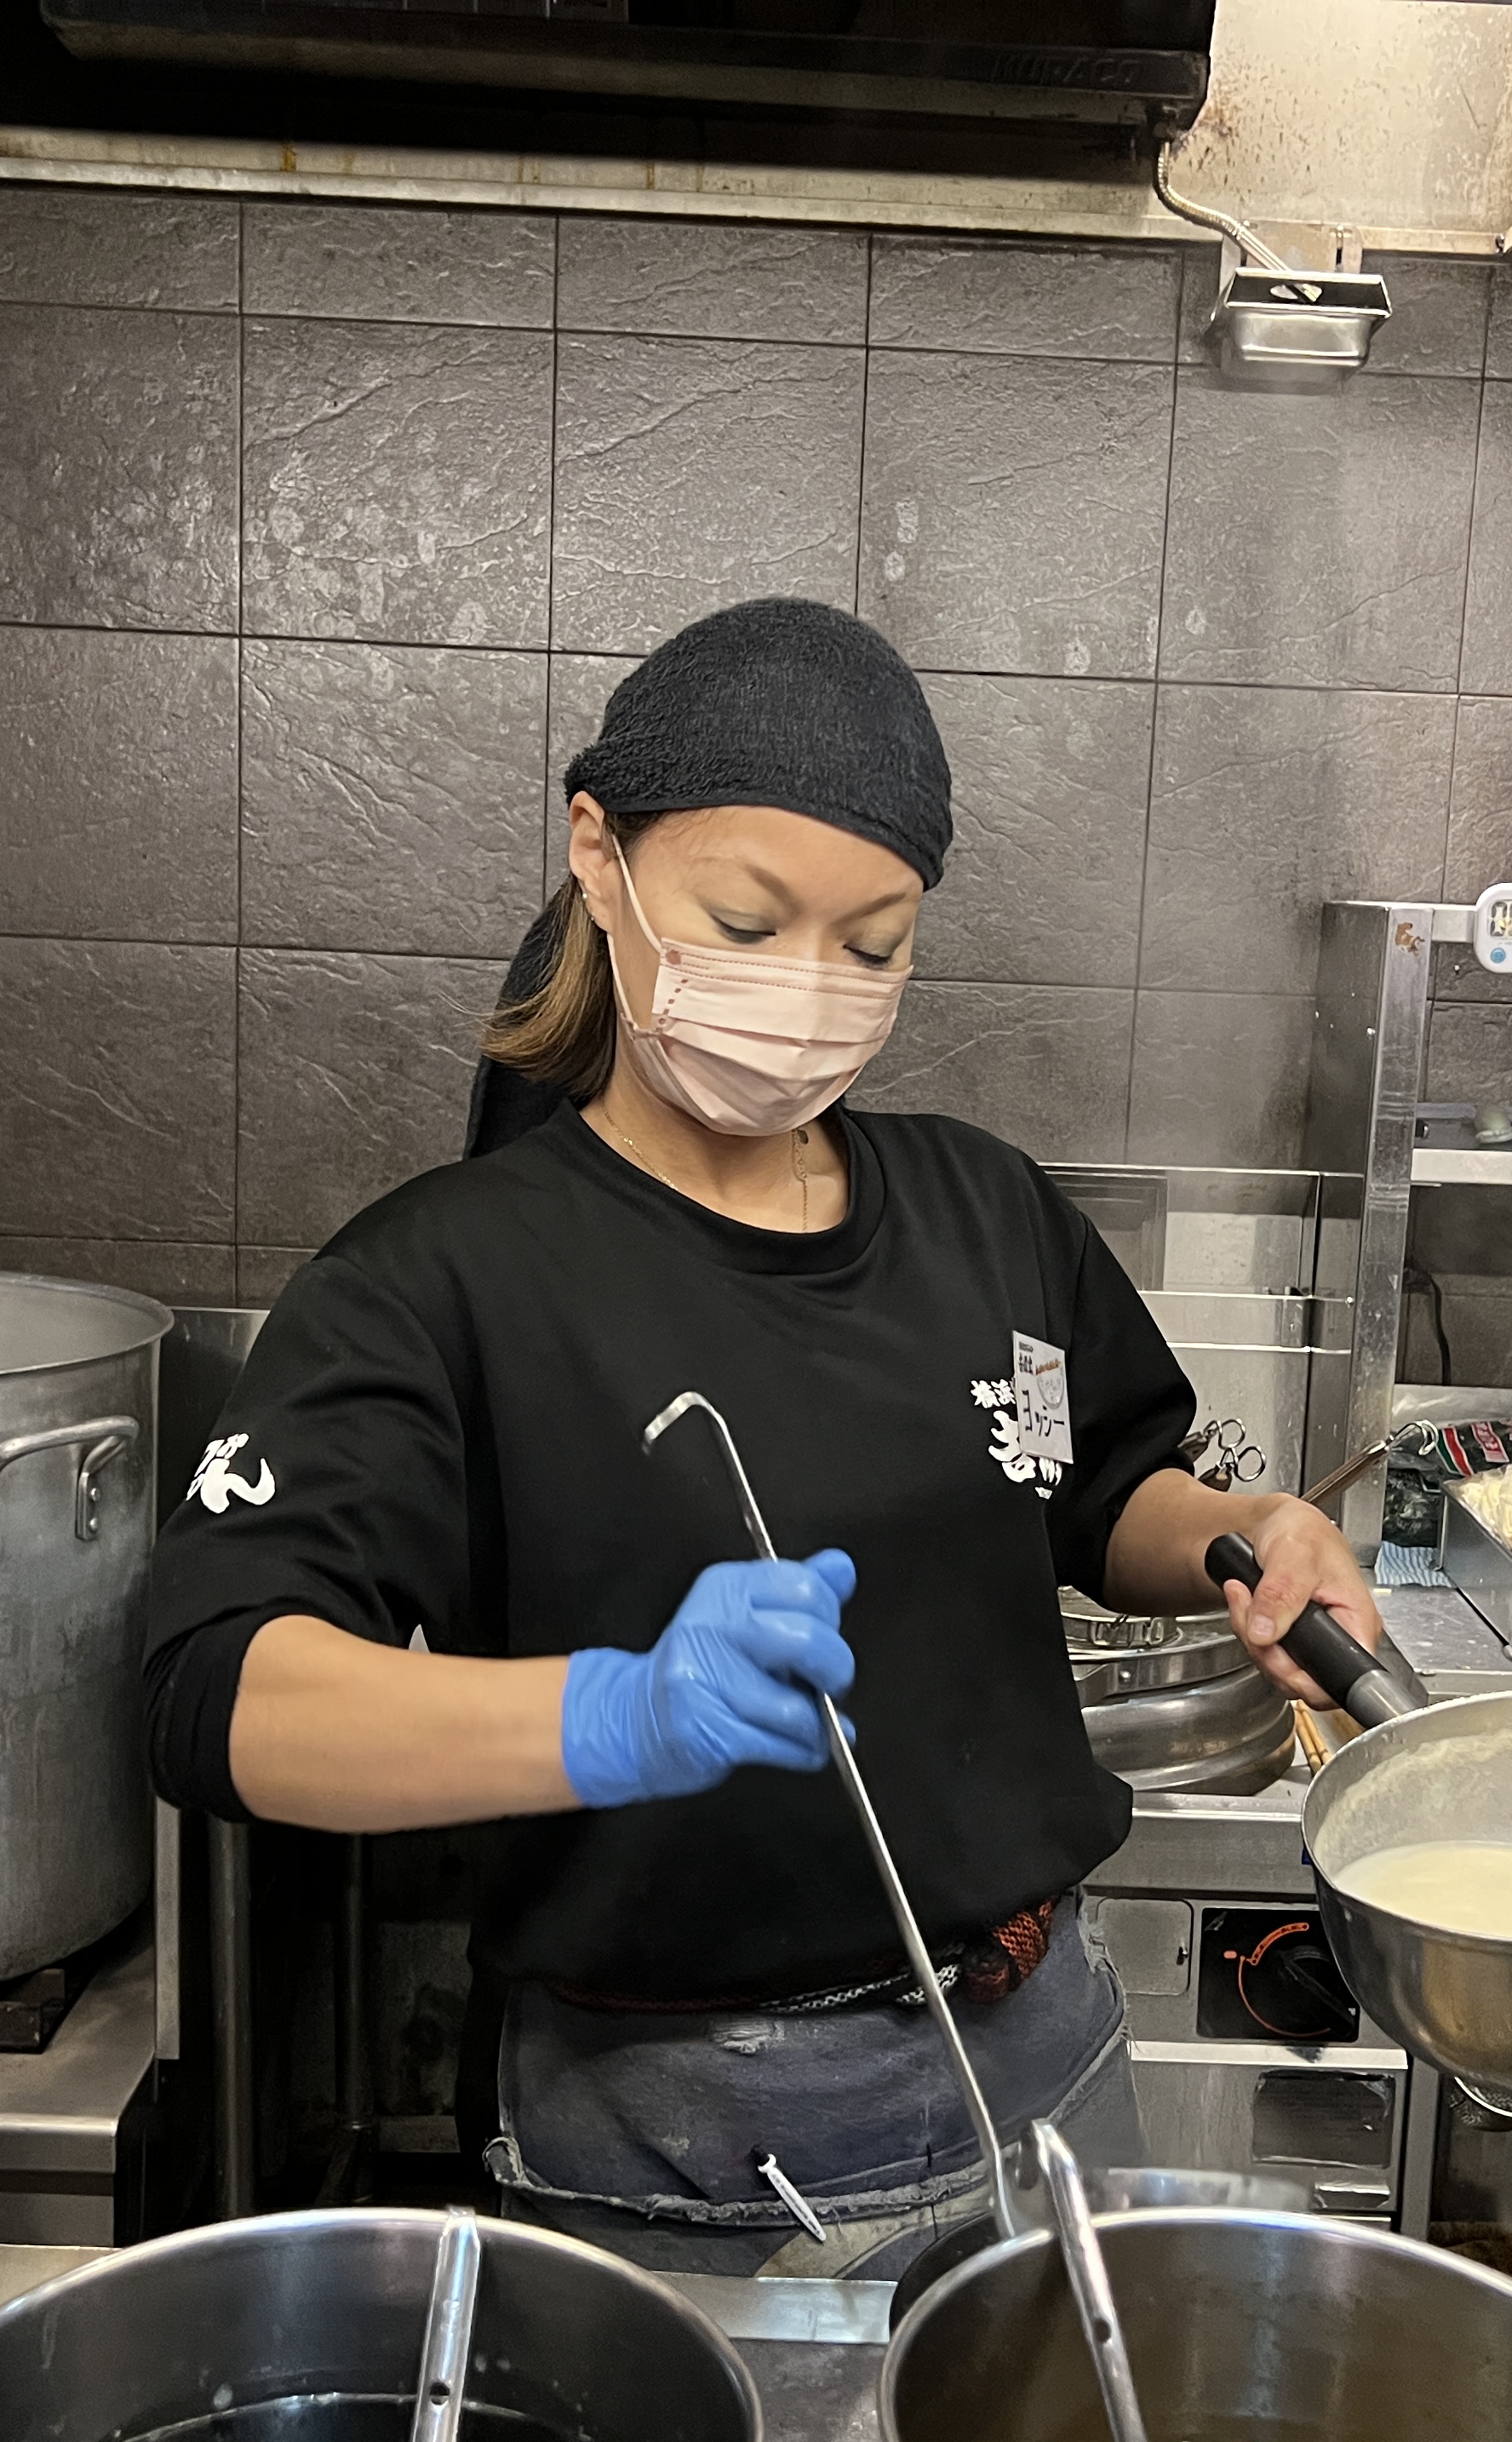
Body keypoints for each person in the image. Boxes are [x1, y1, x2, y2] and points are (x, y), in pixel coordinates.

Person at [146, 597, 1380, 2278]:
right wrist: (611, 1718)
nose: (811, 987)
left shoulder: (984, 1210)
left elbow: (1107, 1493)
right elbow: (214, 1688)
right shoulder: (443, 1278)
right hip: (675, 2145)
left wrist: (1247, 1535)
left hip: (1052, 2071)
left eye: (872, 945)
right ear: (601, 856)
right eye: (746, 917)